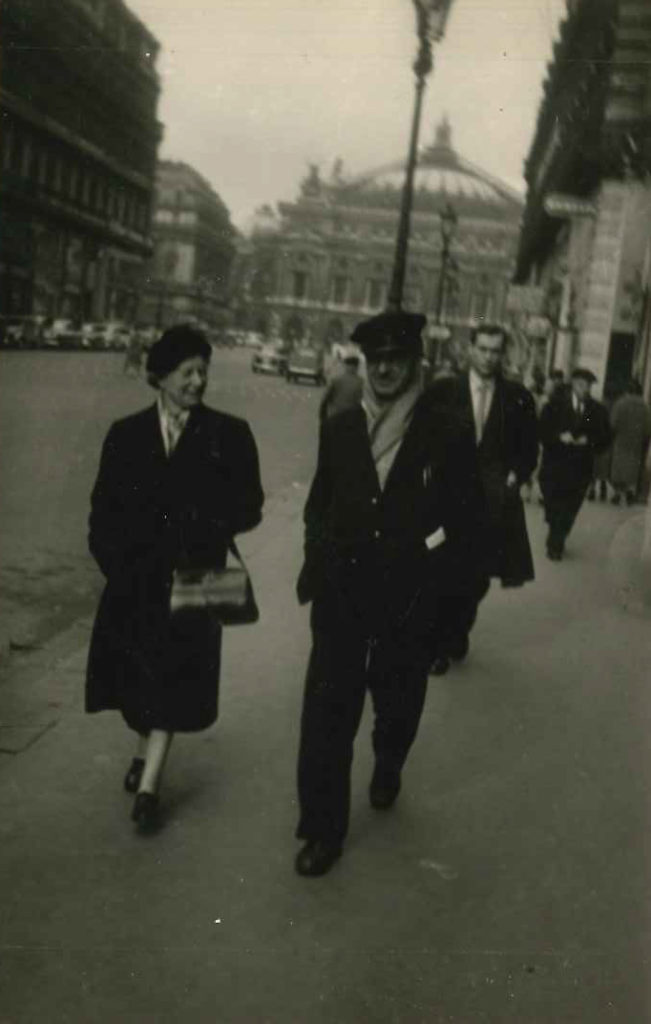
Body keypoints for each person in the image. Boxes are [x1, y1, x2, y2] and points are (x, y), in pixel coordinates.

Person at [293, 311, 487, 877]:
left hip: (409, 600)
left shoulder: (445, 431)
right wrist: (317, 562)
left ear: (414, 363)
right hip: (343, 597)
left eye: (395, 359)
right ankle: (322, 831)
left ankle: (389, 757)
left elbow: (468, 523)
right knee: (327, 715)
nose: (383, 369)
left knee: (398, 704)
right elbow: (318, 507)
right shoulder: (341, 426)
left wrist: (447, 608)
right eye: (374, 359)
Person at [86, 325, 264, 831]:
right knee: (139, 678)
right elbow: (102, 510)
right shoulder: (125, 434)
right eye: (187, 372)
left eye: (203, 371)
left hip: (197, 578)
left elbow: (250, 507)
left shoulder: (229, 435)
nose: (198, 381)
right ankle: (144, 752)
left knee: (172, 679)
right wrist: (115, 565)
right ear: (160, 377)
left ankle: (149, 788)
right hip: (136, 581)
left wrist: (209, 521)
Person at [427, 324, 538, 674]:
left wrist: (514, 476)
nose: (489, 357)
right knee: (441, 573)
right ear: (470, 350)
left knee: (476, 579)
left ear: (502, 354)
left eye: (495, 351)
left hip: (490, 505)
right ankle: (439, 646)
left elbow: (528, 450)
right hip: (445, 501)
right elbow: (421, 441)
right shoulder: (443, 392)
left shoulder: (517, 398)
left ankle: (459, 628)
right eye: (483, 349)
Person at [539, 367, 612, 560]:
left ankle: (557, 540)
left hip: (580, 469)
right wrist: (558, 437)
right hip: (555, 466)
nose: (584, 389)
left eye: (587, 386)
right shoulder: (555, 405)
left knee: (570, 507)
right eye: (580, 385)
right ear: (573, 385)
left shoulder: (596, 410)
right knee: (554, 505)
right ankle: (556, 537)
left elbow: (605, 438)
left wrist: (588, 441)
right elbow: (541, 430)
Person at [609, 380, 651, 506]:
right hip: (636, 442)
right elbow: (648, 428)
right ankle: (629, 490)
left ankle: (617, 492)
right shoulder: (645, 407)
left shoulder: (620, 403)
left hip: (621, 440)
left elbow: (613, 423)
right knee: (633, 466)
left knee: (619, 466)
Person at [319, 343, 363, 421]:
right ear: (357, 366)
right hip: (353, 421)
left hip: (335, 417)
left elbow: (325, 398)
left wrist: (322, 414)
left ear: (346, 365)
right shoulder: (362, 383)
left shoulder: (336, 380)